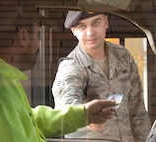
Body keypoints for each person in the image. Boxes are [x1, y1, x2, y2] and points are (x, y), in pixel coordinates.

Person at [0, 3, 116, 142]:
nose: (38, 43)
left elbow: (26, 118)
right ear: (24, 37)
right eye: (37, 35)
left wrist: (83, 113)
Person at [52, 10, 151, 142]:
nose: (90, 32)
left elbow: (137, 110)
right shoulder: (71, 67)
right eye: (82, 26)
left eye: (96, 23)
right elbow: (66, 107)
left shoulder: (122, 56)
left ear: (105, 22)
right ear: (74, 31)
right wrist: (85, 115)